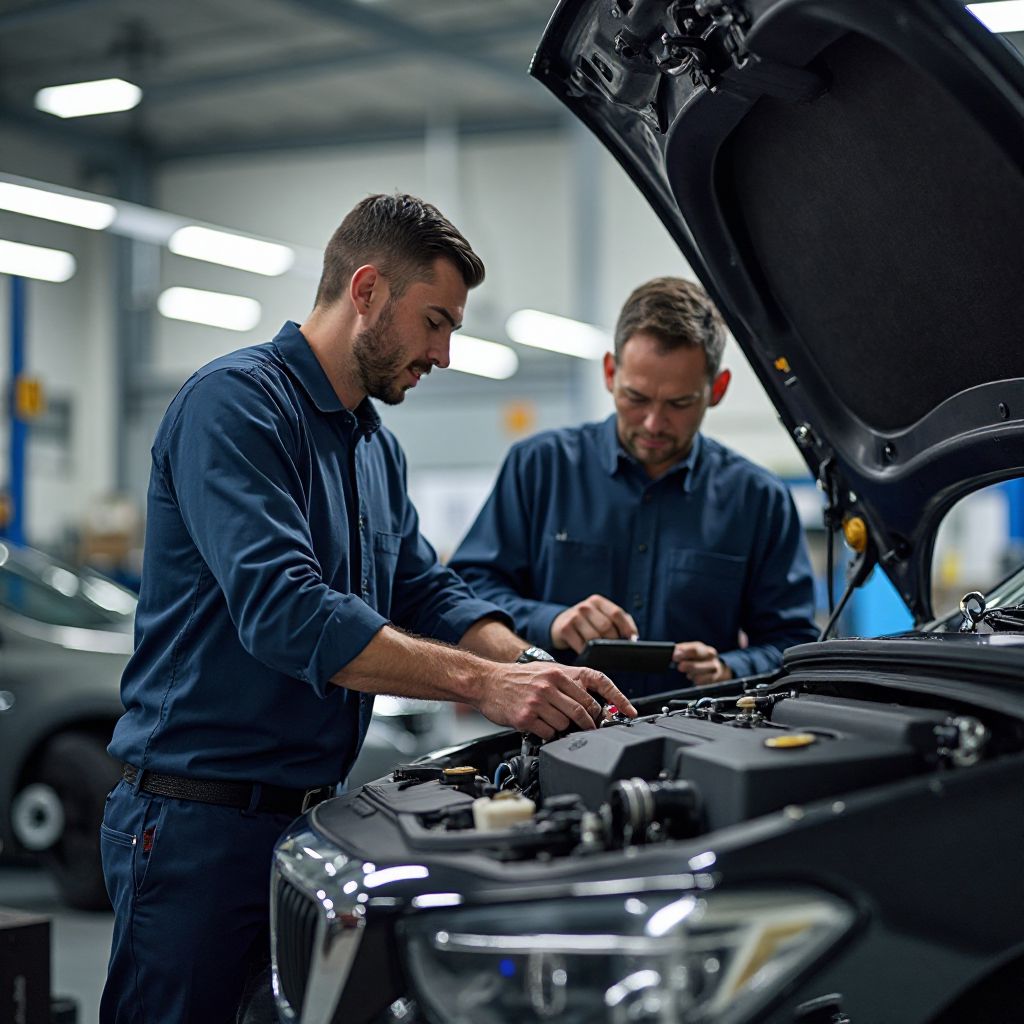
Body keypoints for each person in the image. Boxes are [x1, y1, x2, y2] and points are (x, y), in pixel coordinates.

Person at [99, 193, 635, 1024]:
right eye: (435, 322)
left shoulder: (372, 447)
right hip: (195, 828)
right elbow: (287, 612)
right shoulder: (235, 406)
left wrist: (532, 668)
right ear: (367, 290)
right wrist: (486, 686)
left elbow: (427, 589)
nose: (444, 354)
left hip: (309, 827)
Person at [449, 276, 817, 697]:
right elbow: (469, 592)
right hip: (557, 725)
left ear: (717, 389)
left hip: (696, 730)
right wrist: (551, 621)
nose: (654, 423)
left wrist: (729, 668)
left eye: (679, 403)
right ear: (610, 372)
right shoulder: (539, 467)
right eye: (637, 398)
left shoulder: (759, 499)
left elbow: (793, 643)